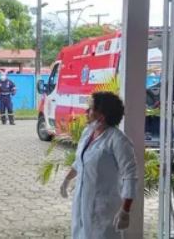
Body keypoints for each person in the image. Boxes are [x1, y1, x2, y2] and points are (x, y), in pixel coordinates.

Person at [59, 91, 137, 239]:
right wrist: (67, 180)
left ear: (102, 115)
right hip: (82, 204)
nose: (86, 112)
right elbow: (79, 162)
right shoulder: (87, 133)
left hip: (104, 209)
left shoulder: (118, 140)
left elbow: (130, 176)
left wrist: (125, 210)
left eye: (90, 109)